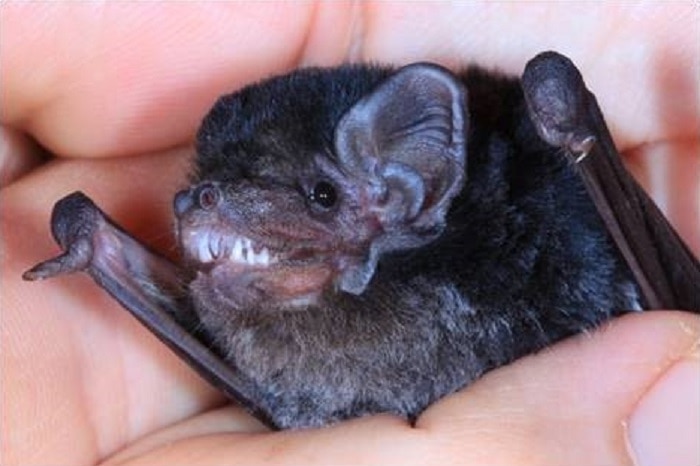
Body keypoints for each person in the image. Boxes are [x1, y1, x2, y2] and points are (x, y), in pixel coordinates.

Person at [1, 3, 698, 465]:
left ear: (403, 192)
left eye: (321, 196)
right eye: (206, 190)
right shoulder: (271, 344)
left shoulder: (557, 222)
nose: (193, 208)